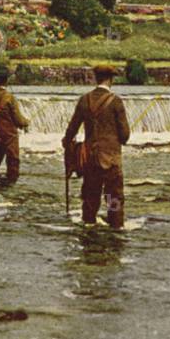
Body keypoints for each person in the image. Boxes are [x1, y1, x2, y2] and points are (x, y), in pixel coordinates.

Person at [63, 65, 131, 229]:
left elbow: (71, 130)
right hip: (111, 161)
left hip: (90, 159)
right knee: (113, 197)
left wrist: (67, 144)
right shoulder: (116, 102)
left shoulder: (84, 100)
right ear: (110, 79)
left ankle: (88, 229)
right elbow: (125, 135)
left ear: (96, 78)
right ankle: (115, 227)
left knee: (90, 197)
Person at [0, 65, 30, 183]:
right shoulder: (9, 97)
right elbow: (17, 119)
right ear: (7, 80)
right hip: (9, 136)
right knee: (13, 163)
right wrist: (26, 123)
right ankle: (11, 188)